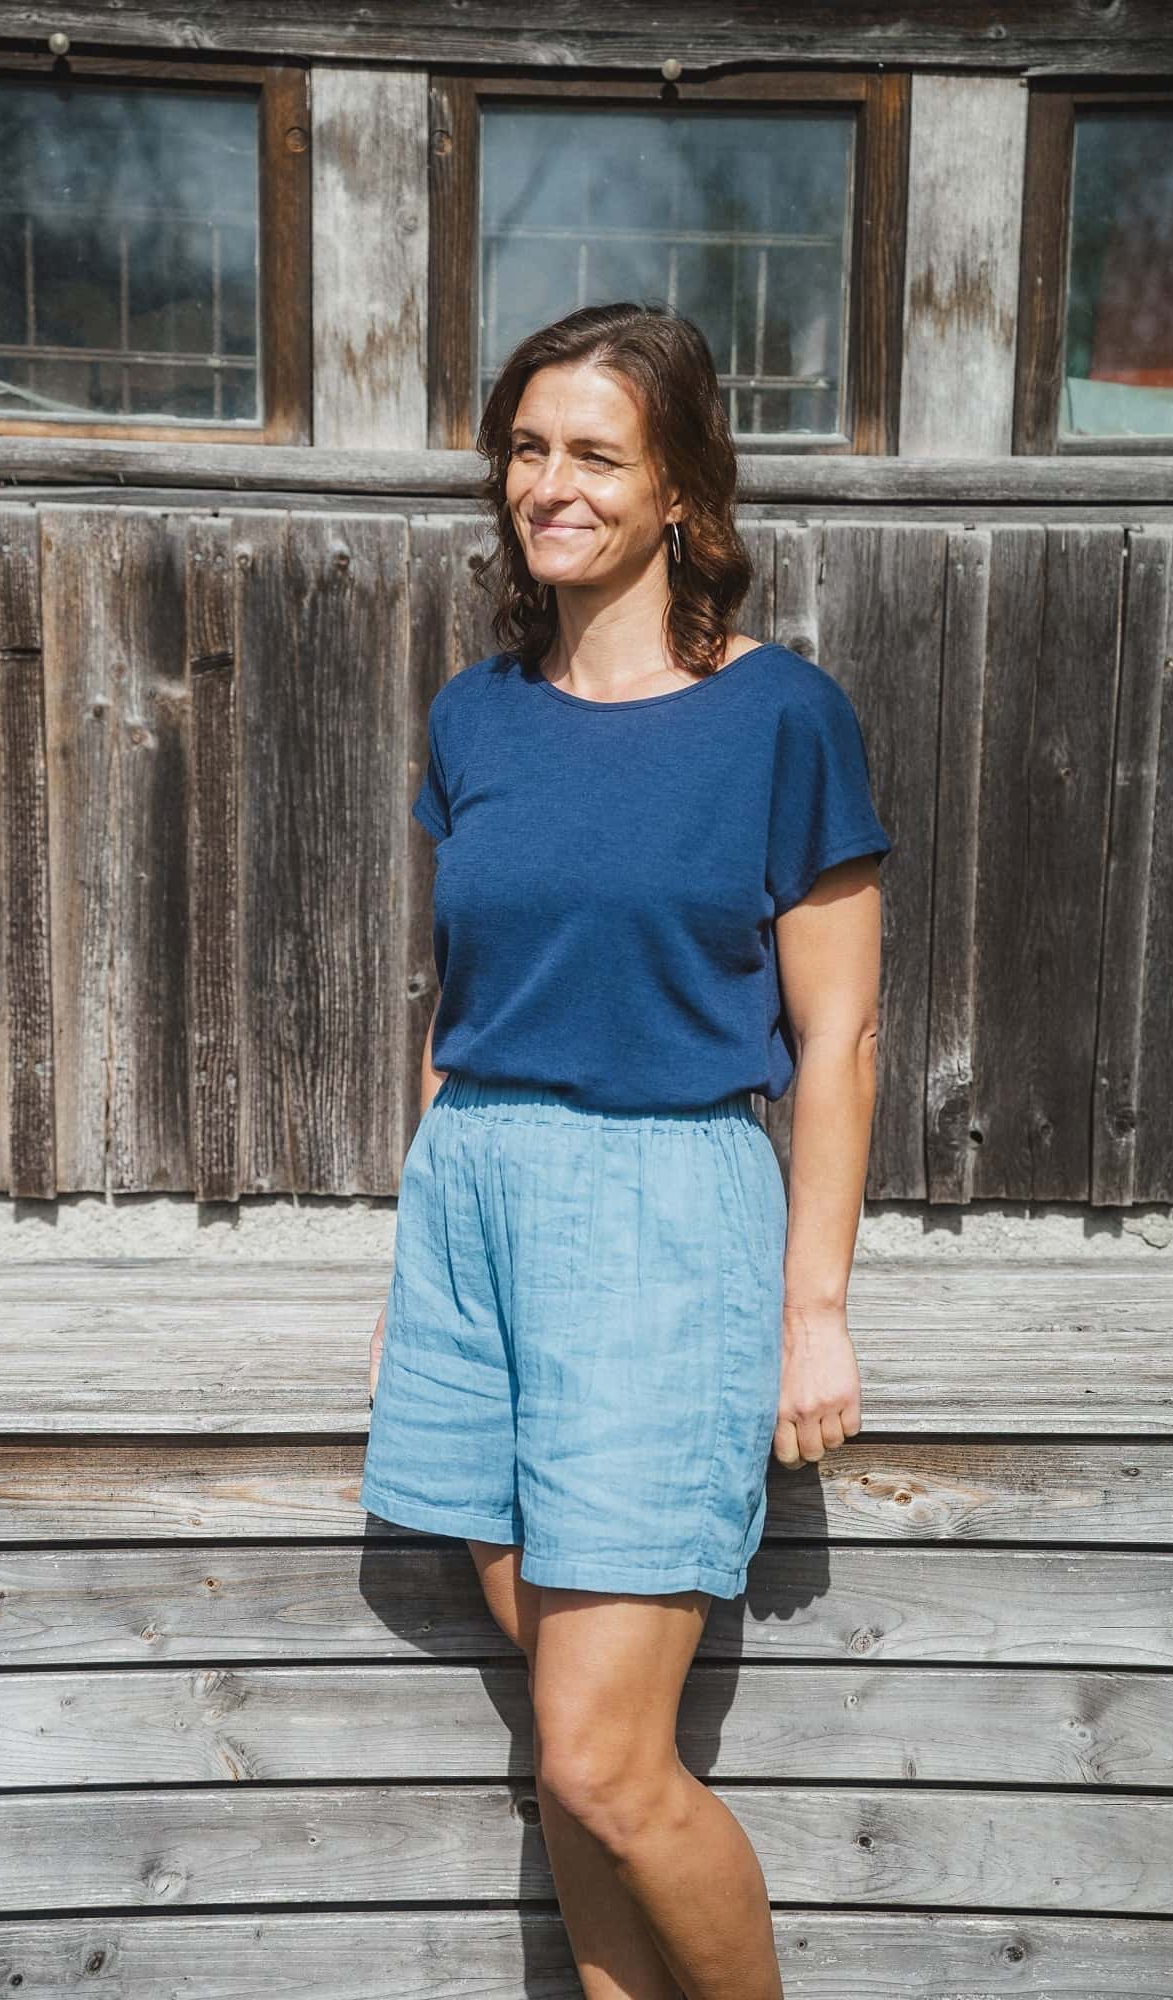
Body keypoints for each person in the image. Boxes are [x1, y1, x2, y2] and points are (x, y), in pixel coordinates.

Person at [359, 301, 891, 2000]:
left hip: (663, 1213)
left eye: (597, 453)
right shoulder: (476, 715)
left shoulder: (780, 717)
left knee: (601, 1759)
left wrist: (814, 1307)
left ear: (680, 491)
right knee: (565, 1747)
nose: (552, 485)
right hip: (475, 1208)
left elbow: (840, 1039)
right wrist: (416, 1277)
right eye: (529, 449)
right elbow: (462, 1009)